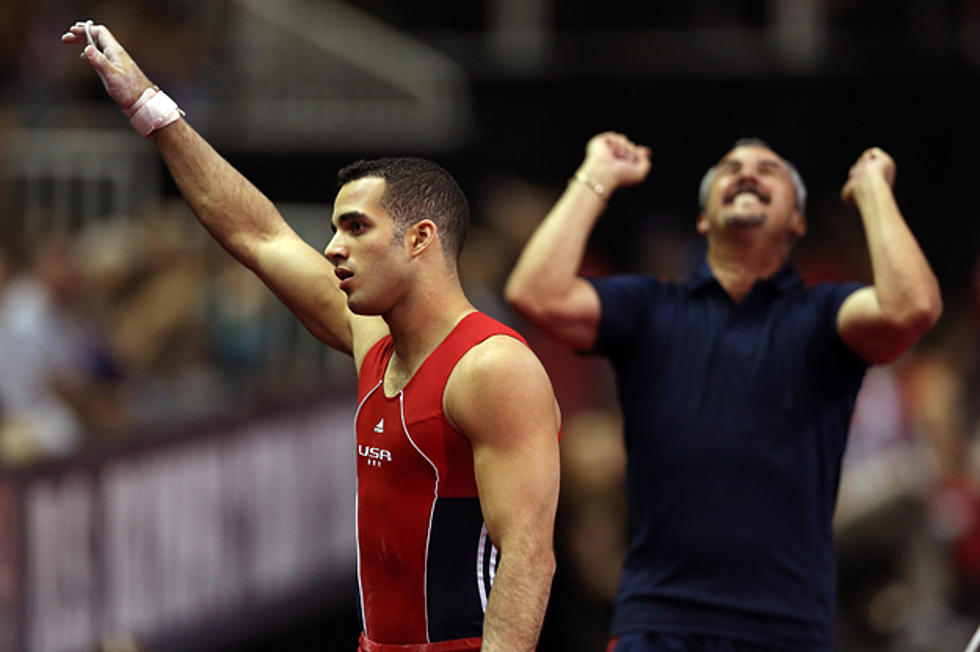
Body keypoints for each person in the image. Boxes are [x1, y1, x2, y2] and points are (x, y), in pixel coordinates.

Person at [62, 21, 560, 652]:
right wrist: (148, 106)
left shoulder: (491, 368)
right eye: (333, 228)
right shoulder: (373, 341)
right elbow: (258, 234)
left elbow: (528, 556)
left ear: (420, 239)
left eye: (355, 228)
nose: (332, 248)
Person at [505, 132, 942, 651]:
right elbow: (536, 292)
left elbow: (910, 307)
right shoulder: (653, 308)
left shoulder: (823, 317)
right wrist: (598, 172)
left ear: (797, 223)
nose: (748, 172)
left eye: (769, 169)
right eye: (731, 167)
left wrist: (873, 192)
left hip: (786, 622)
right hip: (661, 619)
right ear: (704, 220)